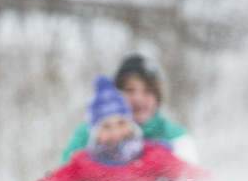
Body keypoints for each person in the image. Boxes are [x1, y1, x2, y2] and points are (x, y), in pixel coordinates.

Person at [21, 74, 209, 181]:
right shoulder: (83, 164)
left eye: (121, 123)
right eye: (106, 126)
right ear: (95, 132)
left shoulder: (154, 156)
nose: (116, 133)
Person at [61, 54, 199, 165]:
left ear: (157, 97)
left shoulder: (173, 136)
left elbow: (191, 179)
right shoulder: (88, 134)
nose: (138, 98)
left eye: (148, 91)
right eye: (130, 90)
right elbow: (63, 176)